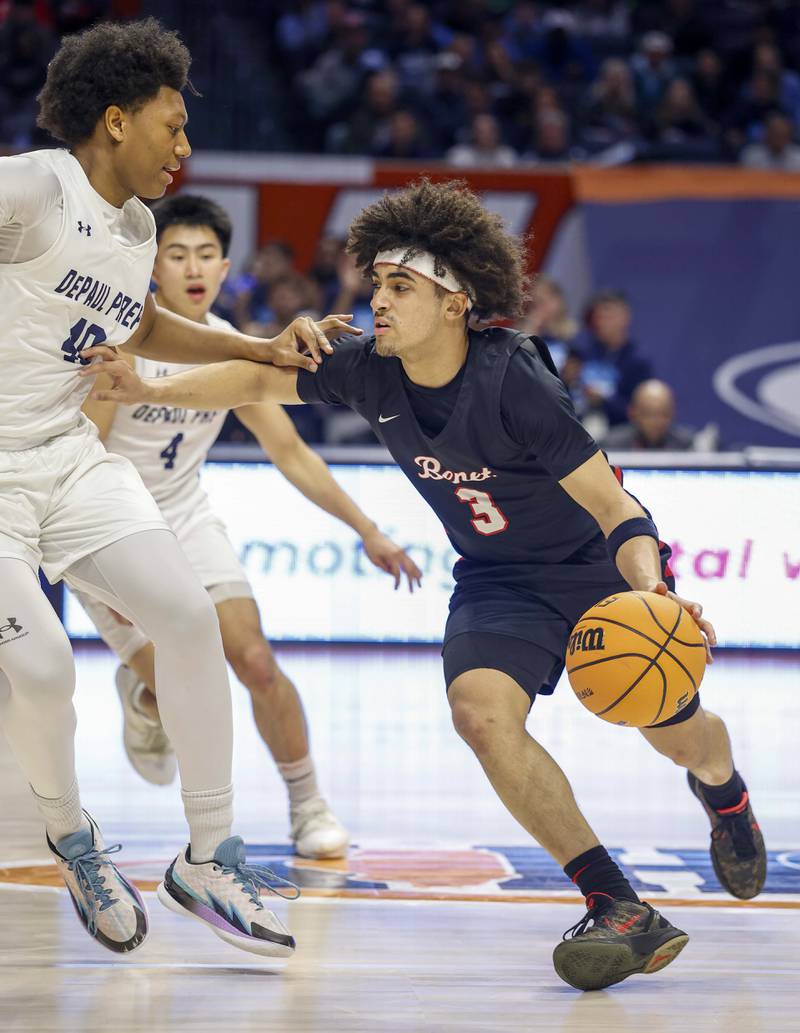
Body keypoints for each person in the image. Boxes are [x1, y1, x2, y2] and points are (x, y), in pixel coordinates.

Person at [84, 179, 767, 992]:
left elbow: (617, 506)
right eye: (375, 282)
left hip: (595, 573)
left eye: (399, 286)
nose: (377, 298)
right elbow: (256, 384)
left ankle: (725, 794)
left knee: (674, 731)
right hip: (497, 578)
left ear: (454, 302)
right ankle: (617, 903)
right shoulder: (371, 369)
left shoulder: (514, 374)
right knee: (479, 714)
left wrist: (653, 593)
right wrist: (150, 388)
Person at [0, 17, 354, 959]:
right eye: (173, 124)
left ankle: (208, 853)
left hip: (67, 458)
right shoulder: (36, 186)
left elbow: (145, 324)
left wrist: (257, 347)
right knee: (40, 671)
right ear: (115, 121)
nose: (185, 147)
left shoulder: (138, 226)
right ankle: (75, 841)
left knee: (191, 620)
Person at [76, 192, 421, 860]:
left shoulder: (237, 349)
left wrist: (368, 529)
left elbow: (291, 451)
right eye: (177, 254)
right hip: (109, 526)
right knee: (179, 680)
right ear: (153, 267)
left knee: (257, 660)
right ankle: (145, 696)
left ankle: (309, 804)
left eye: (205, 254)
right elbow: (87, 457)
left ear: (226, 266)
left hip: (185, 513)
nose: (193, 266)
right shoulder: (122, 345)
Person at [601, 379, 697, 451]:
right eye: (648, 414)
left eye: (663, 414)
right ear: (633, 413)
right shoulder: (611, 446)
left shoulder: (686, 446)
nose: (656, 421)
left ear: (673, 413)